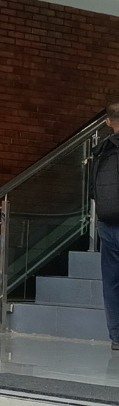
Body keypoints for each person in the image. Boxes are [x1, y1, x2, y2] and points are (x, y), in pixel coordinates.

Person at [92, 101, 119, 351]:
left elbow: (92, 189)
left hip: (108, 221)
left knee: (111, 280)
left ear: (108, 122)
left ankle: (116, 337)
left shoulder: (100, 149)